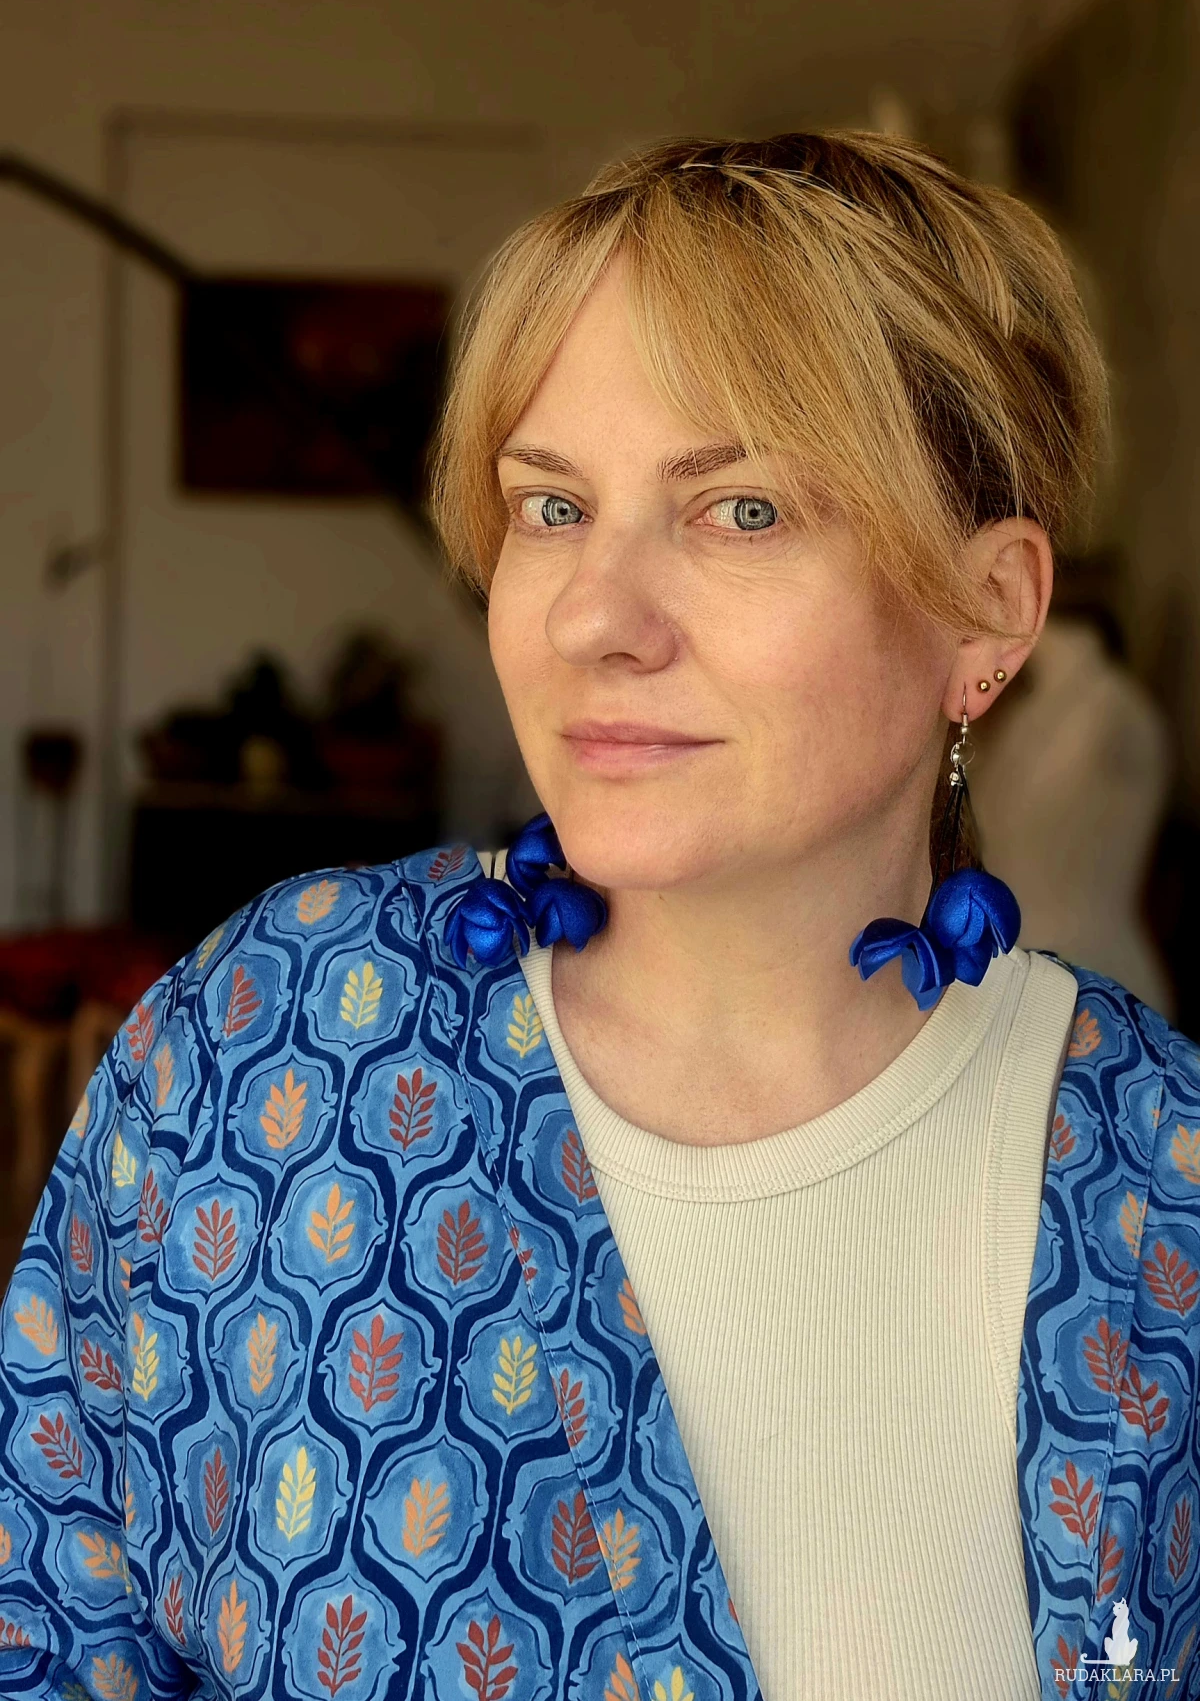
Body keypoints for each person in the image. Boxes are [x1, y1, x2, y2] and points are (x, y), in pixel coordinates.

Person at [0, 132, 1196, 1701]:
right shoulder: (272, 1046)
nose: (592, 616)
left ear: (990, 609)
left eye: (742, 509)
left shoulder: (1162, 1189)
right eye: (551, 507)